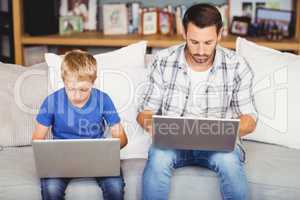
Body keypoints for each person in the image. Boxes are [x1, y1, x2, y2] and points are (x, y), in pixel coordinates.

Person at [137, 3, 257, 200]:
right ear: (184, 33)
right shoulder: (163, 60)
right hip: (172, 145)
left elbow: (250, 119)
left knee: (229, 163)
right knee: (158, 158)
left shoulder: (237, 65)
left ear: (220, 35)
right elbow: (145, 112)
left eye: (208, 43)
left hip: (219, 147)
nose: (201, 51)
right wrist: (155, 126)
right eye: (194, 42)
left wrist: (222, 131)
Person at [32, 50, 127, 200]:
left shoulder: (103, 99)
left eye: (83, 90)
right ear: (64, 81)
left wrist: (109, 148)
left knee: (114, 187)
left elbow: (121, 137)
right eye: (70, 89)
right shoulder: (51, 101)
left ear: (93, 82)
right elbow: (37, 139)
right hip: (60, 159)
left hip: (98, 158)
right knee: (51, 188)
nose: (77, 96)